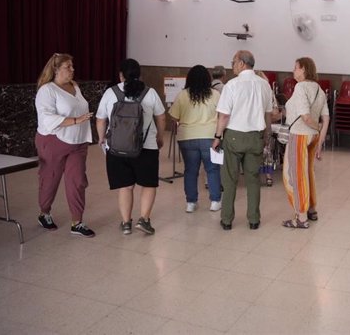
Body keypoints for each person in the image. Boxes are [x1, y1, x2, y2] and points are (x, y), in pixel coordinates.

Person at [96, 59, 165, 236]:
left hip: (117, 147)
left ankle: (126, 223)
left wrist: (102, 138)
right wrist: (159, 137)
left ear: (120, 75)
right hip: (146, 147)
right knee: (148, 185)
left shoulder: (110, 93)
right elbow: (161, 117)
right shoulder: (150, 93)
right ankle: (144, 219)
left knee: (125, 186)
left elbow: (100, 119)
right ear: (139, 74)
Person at [34, 53, 95, 237]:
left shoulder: (74, 86)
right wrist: (75, 120)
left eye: (72, 66)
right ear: (56, 70)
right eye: (68, 67)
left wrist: (80, 123)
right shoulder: (47, 90)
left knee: (77, 181)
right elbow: (46, 118)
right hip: (53, 142)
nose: (72, 70)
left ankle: (77, 222)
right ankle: (44, 213)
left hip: (78, 142)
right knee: (50, 180)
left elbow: (80, 108)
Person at [212, 50, 273, 231]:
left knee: (230, 179)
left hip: (233, 136)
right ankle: (254, 219)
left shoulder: (232, 85)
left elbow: (223, 116)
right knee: (253, 179)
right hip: (256, 136)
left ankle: (227, 220)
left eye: (233, 62)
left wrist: (217, 137)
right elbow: (268, 114)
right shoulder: (264, 85)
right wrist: (267, 135)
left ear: (242, 63)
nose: (232, 66)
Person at [282, 57, 330, 229]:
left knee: (295, 175)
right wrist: (320, 140)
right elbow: (326, 118)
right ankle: (311, 209)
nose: (293, 71)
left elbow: (305, 116)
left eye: (296, 68)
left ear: (303, 69)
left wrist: (314, 126)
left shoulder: (300, 87)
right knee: (308, 172)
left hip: (300, 135)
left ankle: (301, 218)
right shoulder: (319, 89)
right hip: (312, 137)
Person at [168, 65, 222, 213]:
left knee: (190, 170)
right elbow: (222, 114)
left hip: (187, 137)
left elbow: (173, 117)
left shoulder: (182, 95)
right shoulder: (215, 94)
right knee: (212, 169)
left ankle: (191, 202)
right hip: (210, 137)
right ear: (208, 79)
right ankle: (215, 201)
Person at [256, 70, 283, 187]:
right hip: (265, 126)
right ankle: (268, 177)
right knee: (267, 150)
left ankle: (253, 175)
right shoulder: (268, 92)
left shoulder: (249, 91)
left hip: (251, 127)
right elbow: (275, 112)